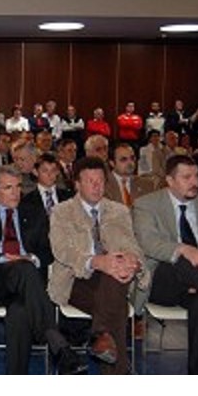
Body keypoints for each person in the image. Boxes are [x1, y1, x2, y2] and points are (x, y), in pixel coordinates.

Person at [0, 164, 85, 374]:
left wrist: (33, 258)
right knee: (23, 268)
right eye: (8, 187)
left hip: (28, 287)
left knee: (19, 311)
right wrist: (6, 258)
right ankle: (56, 340)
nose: (16, 192)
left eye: (18, 186)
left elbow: (48, 251)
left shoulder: (34, 213)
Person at [132, 155, 198, 374]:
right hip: (161, 281)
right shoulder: (146, 205)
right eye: (186, 177)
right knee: (180, 261)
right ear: (170, 180)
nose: (194, 182)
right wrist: (183, 249)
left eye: (196, 176)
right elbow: (149, 243)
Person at [48, 157, 148, 374]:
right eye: (90, 181)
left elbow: (132, 245)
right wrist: (96, 261)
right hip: (76, 280)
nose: (97, 186)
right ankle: (119, 371)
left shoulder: (119, 211)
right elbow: (61, 250)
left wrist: (132, 261)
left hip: (114, 277)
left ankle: (101, 337)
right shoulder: (62, 211)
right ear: (77, 184)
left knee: (114, 279)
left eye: (101, 181)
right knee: (116, 303)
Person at [105, 143, 156, 207]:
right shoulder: (103, 185)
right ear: (112, 163)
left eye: (132, 158)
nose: (130, 163)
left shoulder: (147, 184)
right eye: (123, 159)